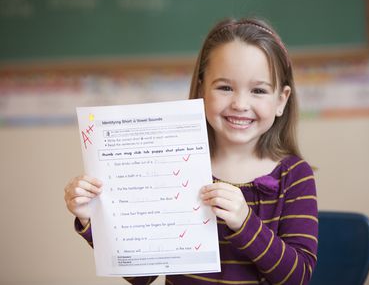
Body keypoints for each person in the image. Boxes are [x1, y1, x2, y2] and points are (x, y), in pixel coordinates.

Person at [65, 17, 318, 285]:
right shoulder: (171, 165)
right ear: (201, 89)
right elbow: (141, 275)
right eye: (225, 87)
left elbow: (297, 277)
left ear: (281, 100)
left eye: (258, 90)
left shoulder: (294, 177)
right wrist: (91, 218)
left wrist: (246, 223)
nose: (240, 103)